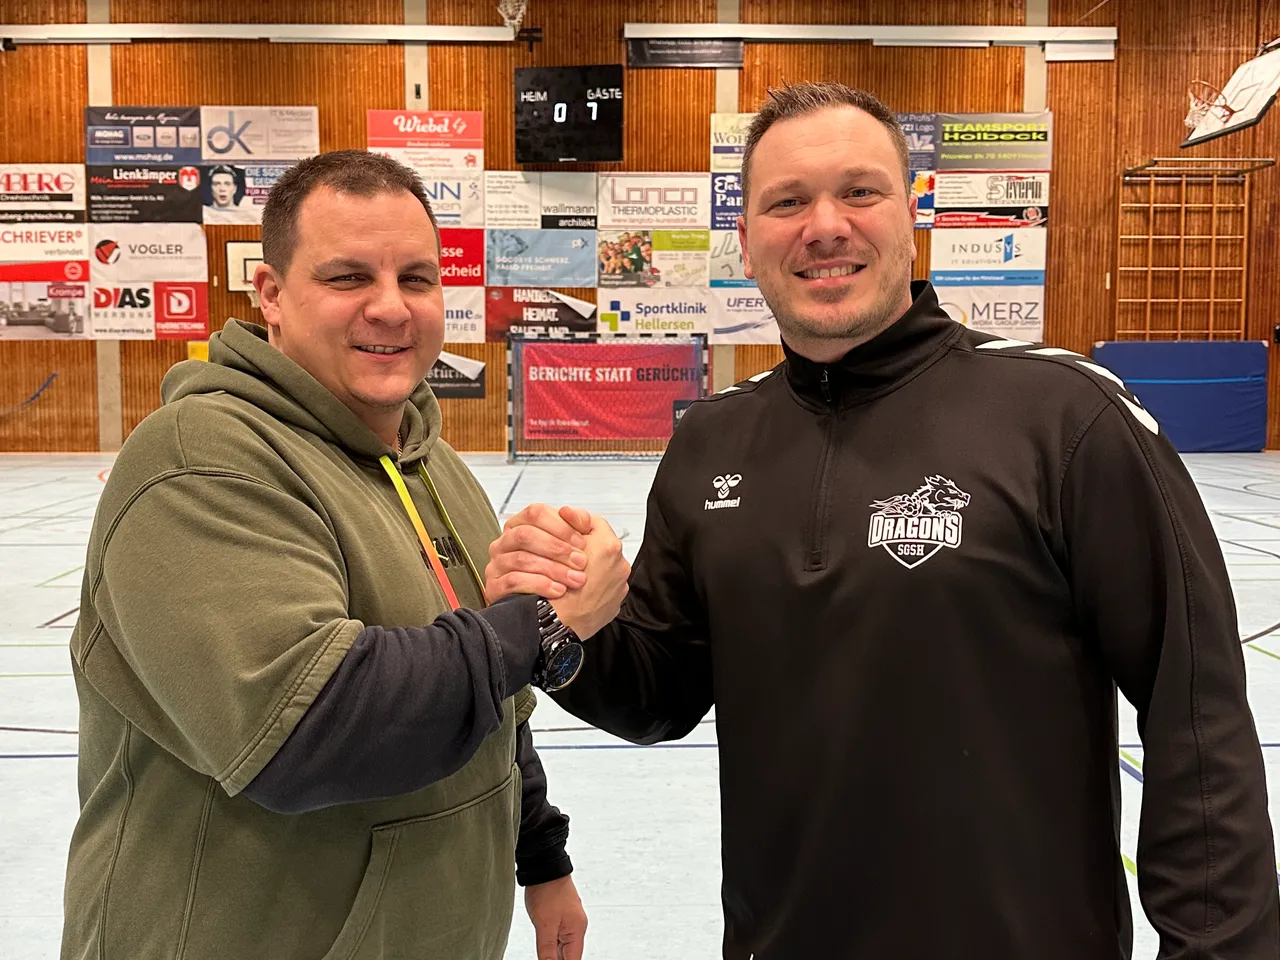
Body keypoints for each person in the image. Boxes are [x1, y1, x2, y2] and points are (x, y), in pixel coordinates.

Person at [485, 83, 1280, 958]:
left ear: (911, 212)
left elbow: (1195, 717)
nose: (824, 226)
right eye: (787, 202)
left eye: (859, 192)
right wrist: (562, 625)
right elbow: (659, 695)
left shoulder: (1065, 417)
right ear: (746, 240)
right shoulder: (712, 442)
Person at [61, 149, 630, 960]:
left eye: (417, 278)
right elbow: (305, 730)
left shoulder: (432, 464)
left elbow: (493, 698)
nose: (391, 308)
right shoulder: (202, 458)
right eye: (348, 277)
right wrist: (542, 623)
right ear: (271, 295)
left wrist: (539, 854)